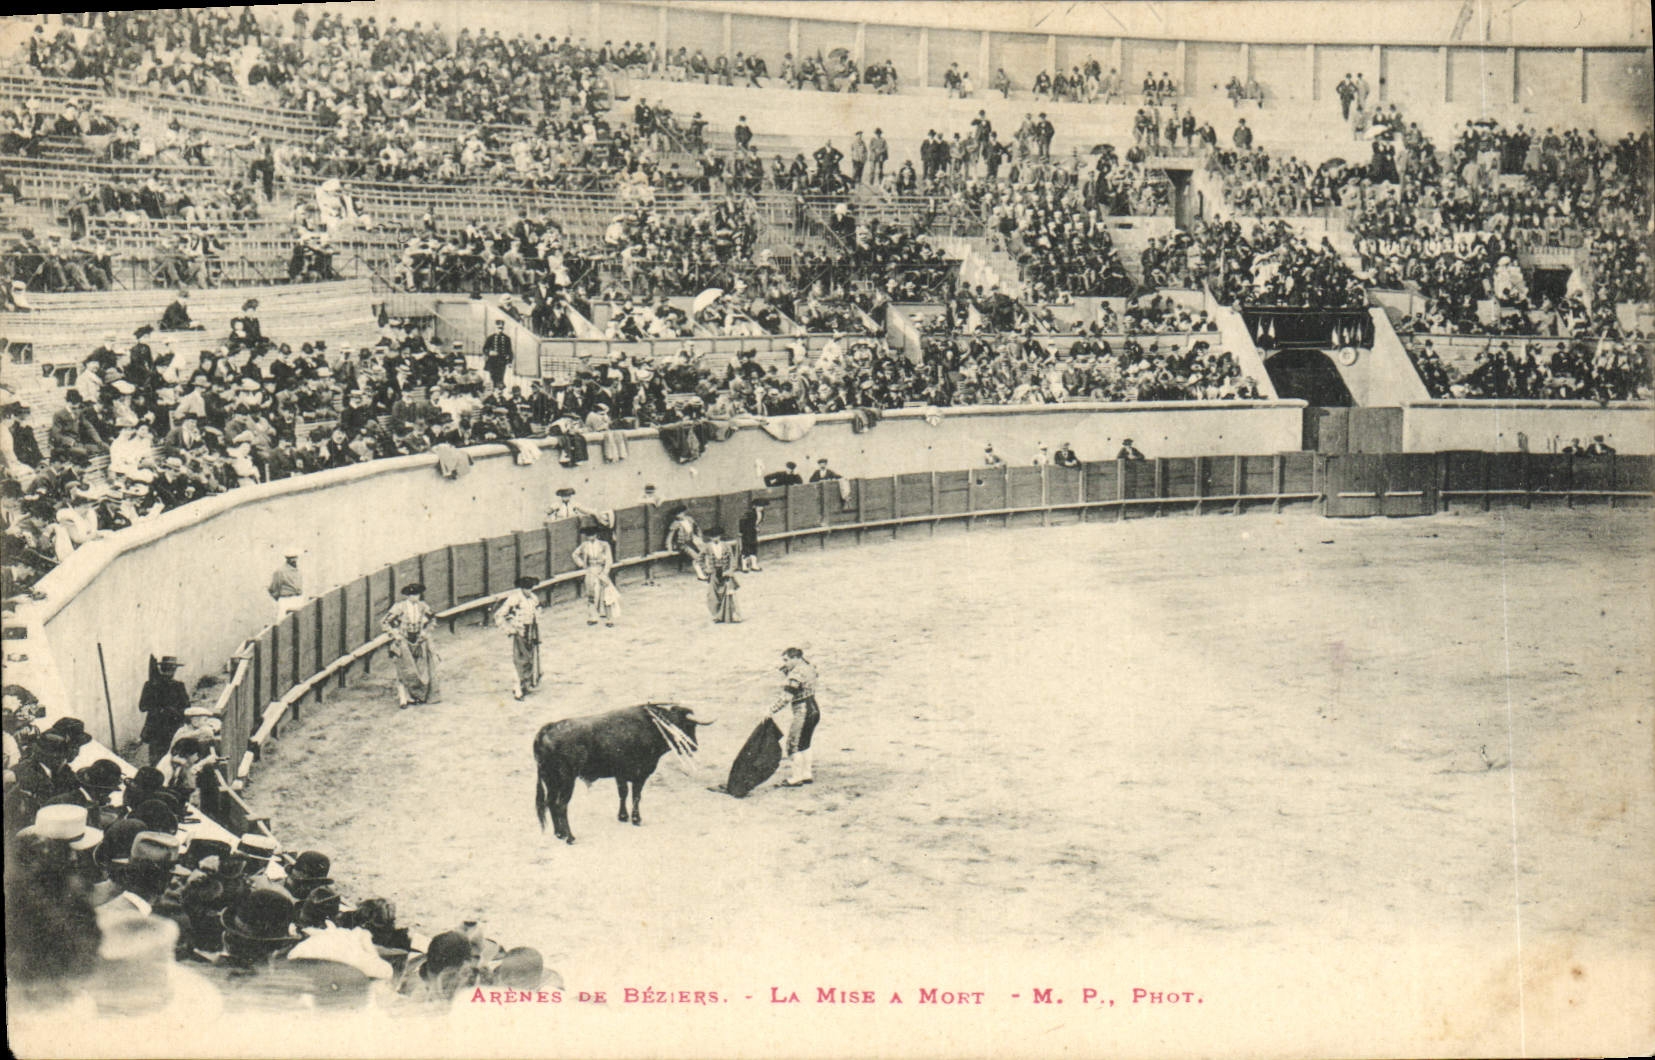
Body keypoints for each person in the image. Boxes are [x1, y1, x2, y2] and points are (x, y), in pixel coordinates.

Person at [768, 648, 821, 787]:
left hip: (802, 711)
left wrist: (771, 710)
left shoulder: (796, 674)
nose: (785, 663)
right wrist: (786, 670)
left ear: (795, 658)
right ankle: (806, 774)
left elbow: (787, 697)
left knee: (793, 745)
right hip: (814, 709)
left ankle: (796, 778)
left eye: (786, 660)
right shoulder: (809, 667)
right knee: (805, 742)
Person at [381, 583, 439, 708]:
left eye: (417, 594)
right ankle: (403, 698)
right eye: (412, 595)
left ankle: (416, 696)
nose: (415, 597)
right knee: (403, 670)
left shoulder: (423, 606)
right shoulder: (399, 607)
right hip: (403, 641)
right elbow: (385, 622)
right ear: (407, 596)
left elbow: (433, 619)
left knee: (419, 669)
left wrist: (425, 632)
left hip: (418, 640)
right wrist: (395, 634)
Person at [489, 576, 541, 700]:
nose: (529, 591)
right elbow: (499, 615)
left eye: (531, 588)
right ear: (521, 588)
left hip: (531, 631)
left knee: (529, 659)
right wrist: (509, 629)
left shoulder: (533, 598)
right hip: (520, 631)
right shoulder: (514, 598)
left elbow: (537, 612)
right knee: (520, 660)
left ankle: (525, 685)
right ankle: (518, 689)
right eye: (527, 588)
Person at [137, 655, 190, 767]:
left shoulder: (152, 685)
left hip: (164, 728)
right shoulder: (154, 685)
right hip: (163, 729)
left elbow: (142, 707)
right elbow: (186, 707)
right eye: (169, 668)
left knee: (161, 761)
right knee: (168, 760)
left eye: (170, 668)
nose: (170, 671)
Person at [572, 526, 618, 628]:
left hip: (601, 570)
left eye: (592, 535)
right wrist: (582, 564)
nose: (590, 537)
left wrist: (605, 573)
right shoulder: (584, 545)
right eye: (588, 535)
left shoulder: (604, 545)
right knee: (591, 594)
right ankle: (592, 617)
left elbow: (609, 560)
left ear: (596, 535)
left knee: (606, 595)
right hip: (590, 571)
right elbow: (574, 554)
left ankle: (609, 619)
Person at [704, 527, 742, 624]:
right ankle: (717, 615)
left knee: (729, 593)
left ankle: (732, 615)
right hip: (714, 572)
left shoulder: (726, 546)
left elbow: (733, 559)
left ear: (720, 536)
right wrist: (706, 569)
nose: (714, 538)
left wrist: (730, 570)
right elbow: (699, 559)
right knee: (713, 594)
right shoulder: (707, 547)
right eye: (712, 537)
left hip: (725, 571)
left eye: (716, 536)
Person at [665, 506, 706, 580]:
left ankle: (706, 571)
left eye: (681, 513)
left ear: (683, 513)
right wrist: (669, 548)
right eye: (677, 514)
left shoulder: (689, 519)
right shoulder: (675, 524)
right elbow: (669, 537)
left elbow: (697, 528)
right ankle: (701, 575)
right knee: (696, 557)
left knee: (705, 552)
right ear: (675, 515)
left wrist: (700, 538)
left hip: (693, 541)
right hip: (683, 544)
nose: (680, 515)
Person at [268, 546, 305, 618]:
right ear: (287, 559)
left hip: (298, 599)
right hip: (286, 600)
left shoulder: (298, 571)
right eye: (291, 558)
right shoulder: (280, 571)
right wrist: (280, 598)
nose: (294, 560)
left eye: (295, 557)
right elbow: (273, 588)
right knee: (284, 622)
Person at [482, 320, 512, 390]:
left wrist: (509, 361)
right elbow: (485, 349)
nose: (500, 330)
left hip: (502, 362)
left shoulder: (507, 338)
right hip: (492, 361)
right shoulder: (490, 338)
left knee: (500, 378)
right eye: (498, 328)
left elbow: (509, 351)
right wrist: (489, 352)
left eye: (501, 328)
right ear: (495, 327)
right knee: (492, 378)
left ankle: (499, 392)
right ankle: (493, 391)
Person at [738, 501, 765, 573]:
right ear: (755, 506)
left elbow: (757, 523)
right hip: (746, 533)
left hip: (753, 533)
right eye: (759, 506)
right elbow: (742, 522)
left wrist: (756, 528)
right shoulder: (750, 513)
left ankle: (754, 565)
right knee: (746, 548)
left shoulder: (762, 513)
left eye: (762, 506)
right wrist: (741, 532)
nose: (761, 508)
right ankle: (744, 567)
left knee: (753, 547)